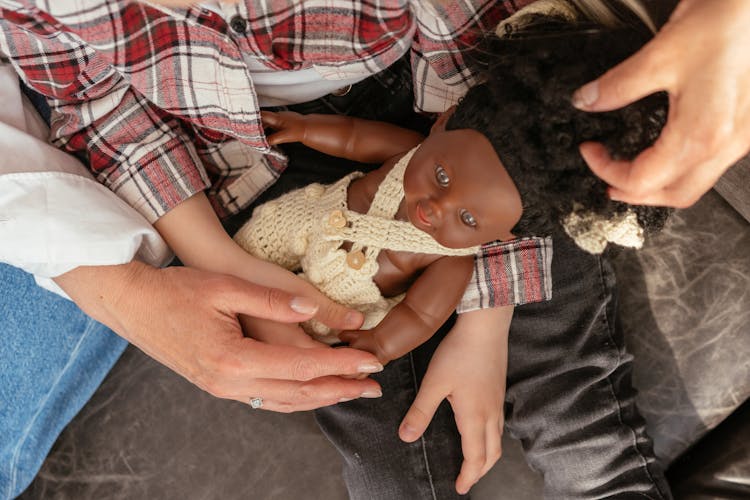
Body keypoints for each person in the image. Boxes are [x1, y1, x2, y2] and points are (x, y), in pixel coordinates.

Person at [1, 0, 746, 497]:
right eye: (436, 185)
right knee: (386, 444)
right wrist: (242, 271)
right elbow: (93, 99)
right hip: (262, 160)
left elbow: (428, 305)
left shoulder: (472, 215)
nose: (429, 208)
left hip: (493, 144)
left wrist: (479, 320)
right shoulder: (410, 164)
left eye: (447, 213)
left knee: (572, 394)